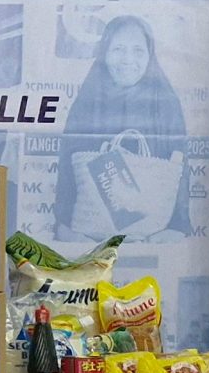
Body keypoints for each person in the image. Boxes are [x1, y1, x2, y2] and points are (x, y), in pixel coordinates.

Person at [55, 13, 189, 241]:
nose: (128, 59)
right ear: (104, 54)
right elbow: (68, 167)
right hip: (90, 235)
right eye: (118, 49)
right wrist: (64, 225)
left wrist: (178, 227)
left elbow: (180, 165)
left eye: (138, 50)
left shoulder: (165, 102)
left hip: (153, 236)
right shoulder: (88, 101)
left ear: (150, 56)